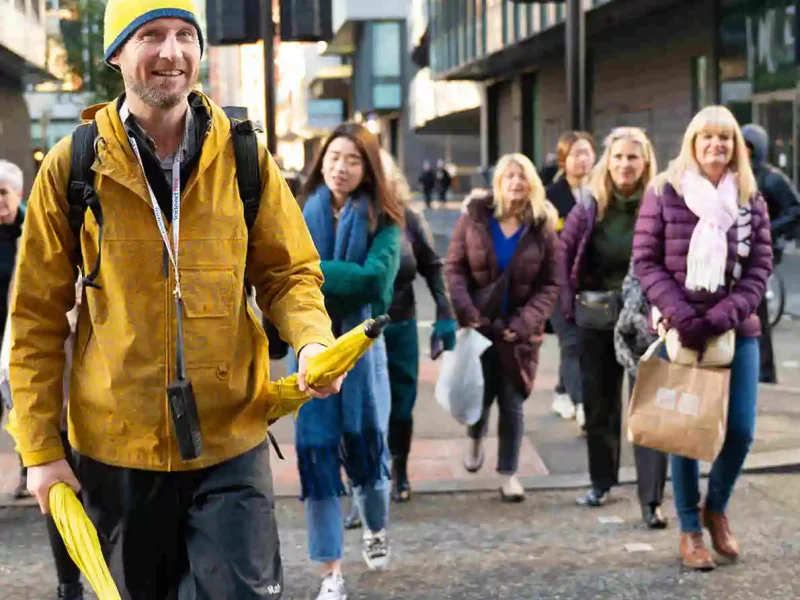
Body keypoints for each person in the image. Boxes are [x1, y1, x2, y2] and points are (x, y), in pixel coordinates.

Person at [9, 1, 341, 598]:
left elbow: (290, 272)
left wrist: (314, 340)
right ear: (117, 54)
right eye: (152, 35)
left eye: (186, 35)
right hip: (115, 449)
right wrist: (40, 450)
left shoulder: (244, 158)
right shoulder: (73, 166)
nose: (172, 53)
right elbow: (35, 317)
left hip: (230, 439)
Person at [634, 106, 772, 570]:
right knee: (685, 433)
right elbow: (646, 261)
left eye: (725, 138)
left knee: (741, 430)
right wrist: (679, 313)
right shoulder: (664, 190)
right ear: (692, 142)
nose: (716, 145)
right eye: (707, 136)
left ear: (736, 147)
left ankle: (717, 508)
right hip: (680, 328)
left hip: (736, 329)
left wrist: (722, 315)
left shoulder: (751, 198)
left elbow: (759, 269)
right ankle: (690, 530)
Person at [292, 123, 402, 600]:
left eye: (353, 160)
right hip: (310, 351)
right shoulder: (299, 213)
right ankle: (330, 571)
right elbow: (281, 276)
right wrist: (333, 277)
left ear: (368, 168)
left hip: (362, 356)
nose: (341, 167)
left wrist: (312, 274)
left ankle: (375, 525)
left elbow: (376, 285)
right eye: (334, 157)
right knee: (317, 457)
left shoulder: (386, 221)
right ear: (321, 161)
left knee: (367, 449)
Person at [446, 153, 559, 503]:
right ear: (497, 182)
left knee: (512, 403)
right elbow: (454, 268)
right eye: (509, 176)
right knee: (478, 394)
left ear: (532, 184)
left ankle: (509, 473)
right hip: (479, 326)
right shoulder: (474, 218)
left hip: (518, 333)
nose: (515, 183)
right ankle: (475, 436)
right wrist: (467, 311)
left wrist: (525, 324)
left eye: (522, 176)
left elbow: (551, 283)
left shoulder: (542, 226)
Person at [557, 127, 658, 508]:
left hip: (645, 319)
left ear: (645, 161)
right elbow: (563, 258)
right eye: (617, 157)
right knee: (600, 406)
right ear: (607, 161)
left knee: (648, 405)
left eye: (632, 157)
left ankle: (652, 497)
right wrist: (569, 309)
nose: (624, 164)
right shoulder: (589, 204)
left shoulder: (660, 202)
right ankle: (601, 483)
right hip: (597, 317)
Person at [2, 283, 86, 599]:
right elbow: (21, 334)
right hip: (57, 405)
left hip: (111, 408)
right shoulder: (45, 249)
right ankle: (69, 586)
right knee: (59, 495)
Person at [381, 150, 456, 503]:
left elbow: (431, 263)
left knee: (401, 404)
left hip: (401, 324)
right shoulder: (342, 216)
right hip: (354, 329)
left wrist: (444, 310)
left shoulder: (408, 217)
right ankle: (367, 474)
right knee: (362, 407)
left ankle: (399, 468)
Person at [741, 123, 800, 383]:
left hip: (762, 251)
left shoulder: (772, 178)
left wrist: (768, 229)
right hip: (737, 252)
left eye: (748, 147)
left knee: (756, 313)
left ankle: (764, 372)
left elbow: (795, 211)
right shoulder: (735, 176)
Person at [612, 261, 669, 529]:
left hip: (692, 330)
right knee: (649, 421)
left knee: (683, 421)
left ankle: (691, 500)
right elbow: (634, 279)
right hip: (648, 336)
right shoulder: (650, 229)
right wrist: (638, 318)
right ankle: (651, 500)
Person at [546, 131, 596, 427]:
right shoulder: (551, 196)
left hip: (590, 281)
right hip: (557, 280)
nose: (582, 159)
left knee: (581, 342)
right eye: (576, 153)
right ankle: (581, 404)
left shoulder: (600, 191)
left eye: (587, 152)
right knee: (571, 341)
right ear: (564, 160)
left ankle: (562, 391)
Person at [0, 159, 28, 499]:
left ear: (17, 193)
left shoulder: (32, 226)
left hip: (16, 335)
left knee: (21, 405)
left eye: (3, 193)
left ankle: (26, 469)